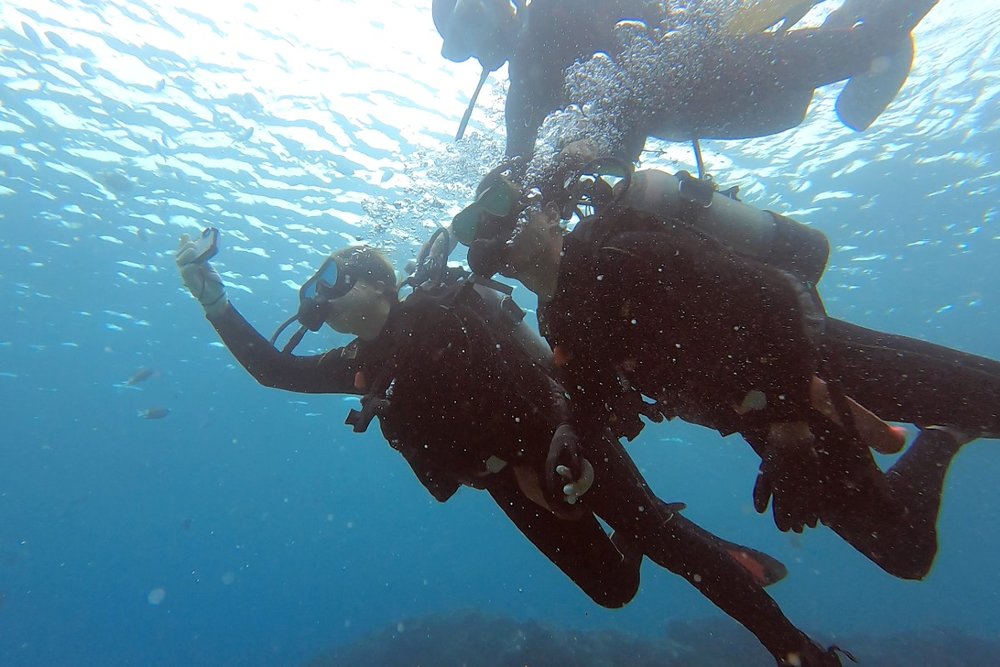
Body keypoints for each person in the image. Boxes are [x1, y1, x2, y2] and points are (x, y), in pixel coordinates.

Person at [176, 231, 843, 666]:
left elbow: (543, 383)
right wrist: (214, 301)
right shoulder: (362, 363)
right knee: (613, 589)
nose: (320, 293)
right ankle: (653, 529)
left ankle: (795, 647)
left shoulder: (440, 315)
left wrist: (550, 452)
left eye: (334, 277)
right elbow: (274, 369)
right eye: (318, 285)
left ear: (380, 285)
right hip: (503, 482)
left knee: (664, 539)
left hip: (560, 440)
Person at [451, 161, 1000, 582]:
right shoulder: (559, 318)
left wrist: (789, 425)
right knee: (903, 551)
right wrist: (567, 445)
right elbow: (594, 402)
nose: (500, 236)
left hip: (819, 359)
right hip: (762, 415)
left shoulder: (621, 252)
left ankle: (957, 419)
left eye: (510, 211)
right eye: (484, 229)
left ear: (550, 213)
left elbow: (777, 298)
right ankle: (947, 435)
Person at [433, 0, 937, 166]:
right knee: (794, 101)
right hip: (697, 97)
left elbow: (516, 165)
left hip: (704, 74)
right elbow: (515, 166)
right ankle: (860, 37)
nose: (480, 48)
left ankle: (875, 38)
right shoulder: (524, 84)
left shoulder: (538, 41)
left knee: (854, 57)